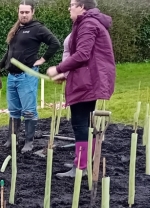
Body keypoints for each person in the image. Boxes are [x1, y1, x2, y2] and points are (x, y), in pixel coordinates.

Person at [47, 0, 115, 178]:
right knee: (85, 123)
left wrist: (59, 68)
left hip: (87, 81)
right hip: (87, 78)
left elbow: (83, 54)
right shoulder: (89, 22)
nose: (69, 8)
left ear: (82, 7)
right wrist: (65, 73)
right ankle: (84, 160)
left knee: (80, 123)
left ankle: (81, 166)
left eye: (72, 4)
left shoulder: (88, 23)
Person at [0, 0, 60, 153]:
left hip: (27, 76)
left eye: (27, 12)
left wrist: (42, 60)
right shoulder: (16, 29)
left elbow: (55, 43)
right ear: (18, 12)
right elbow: (9, 52)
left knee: (28, 110)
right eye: (21, 12)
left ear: (32, 12)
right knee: (14, 110)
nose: (24, 15)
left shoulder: (38, 29)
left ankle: (29, 142)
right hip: (12, 76)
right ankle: (11, 139)